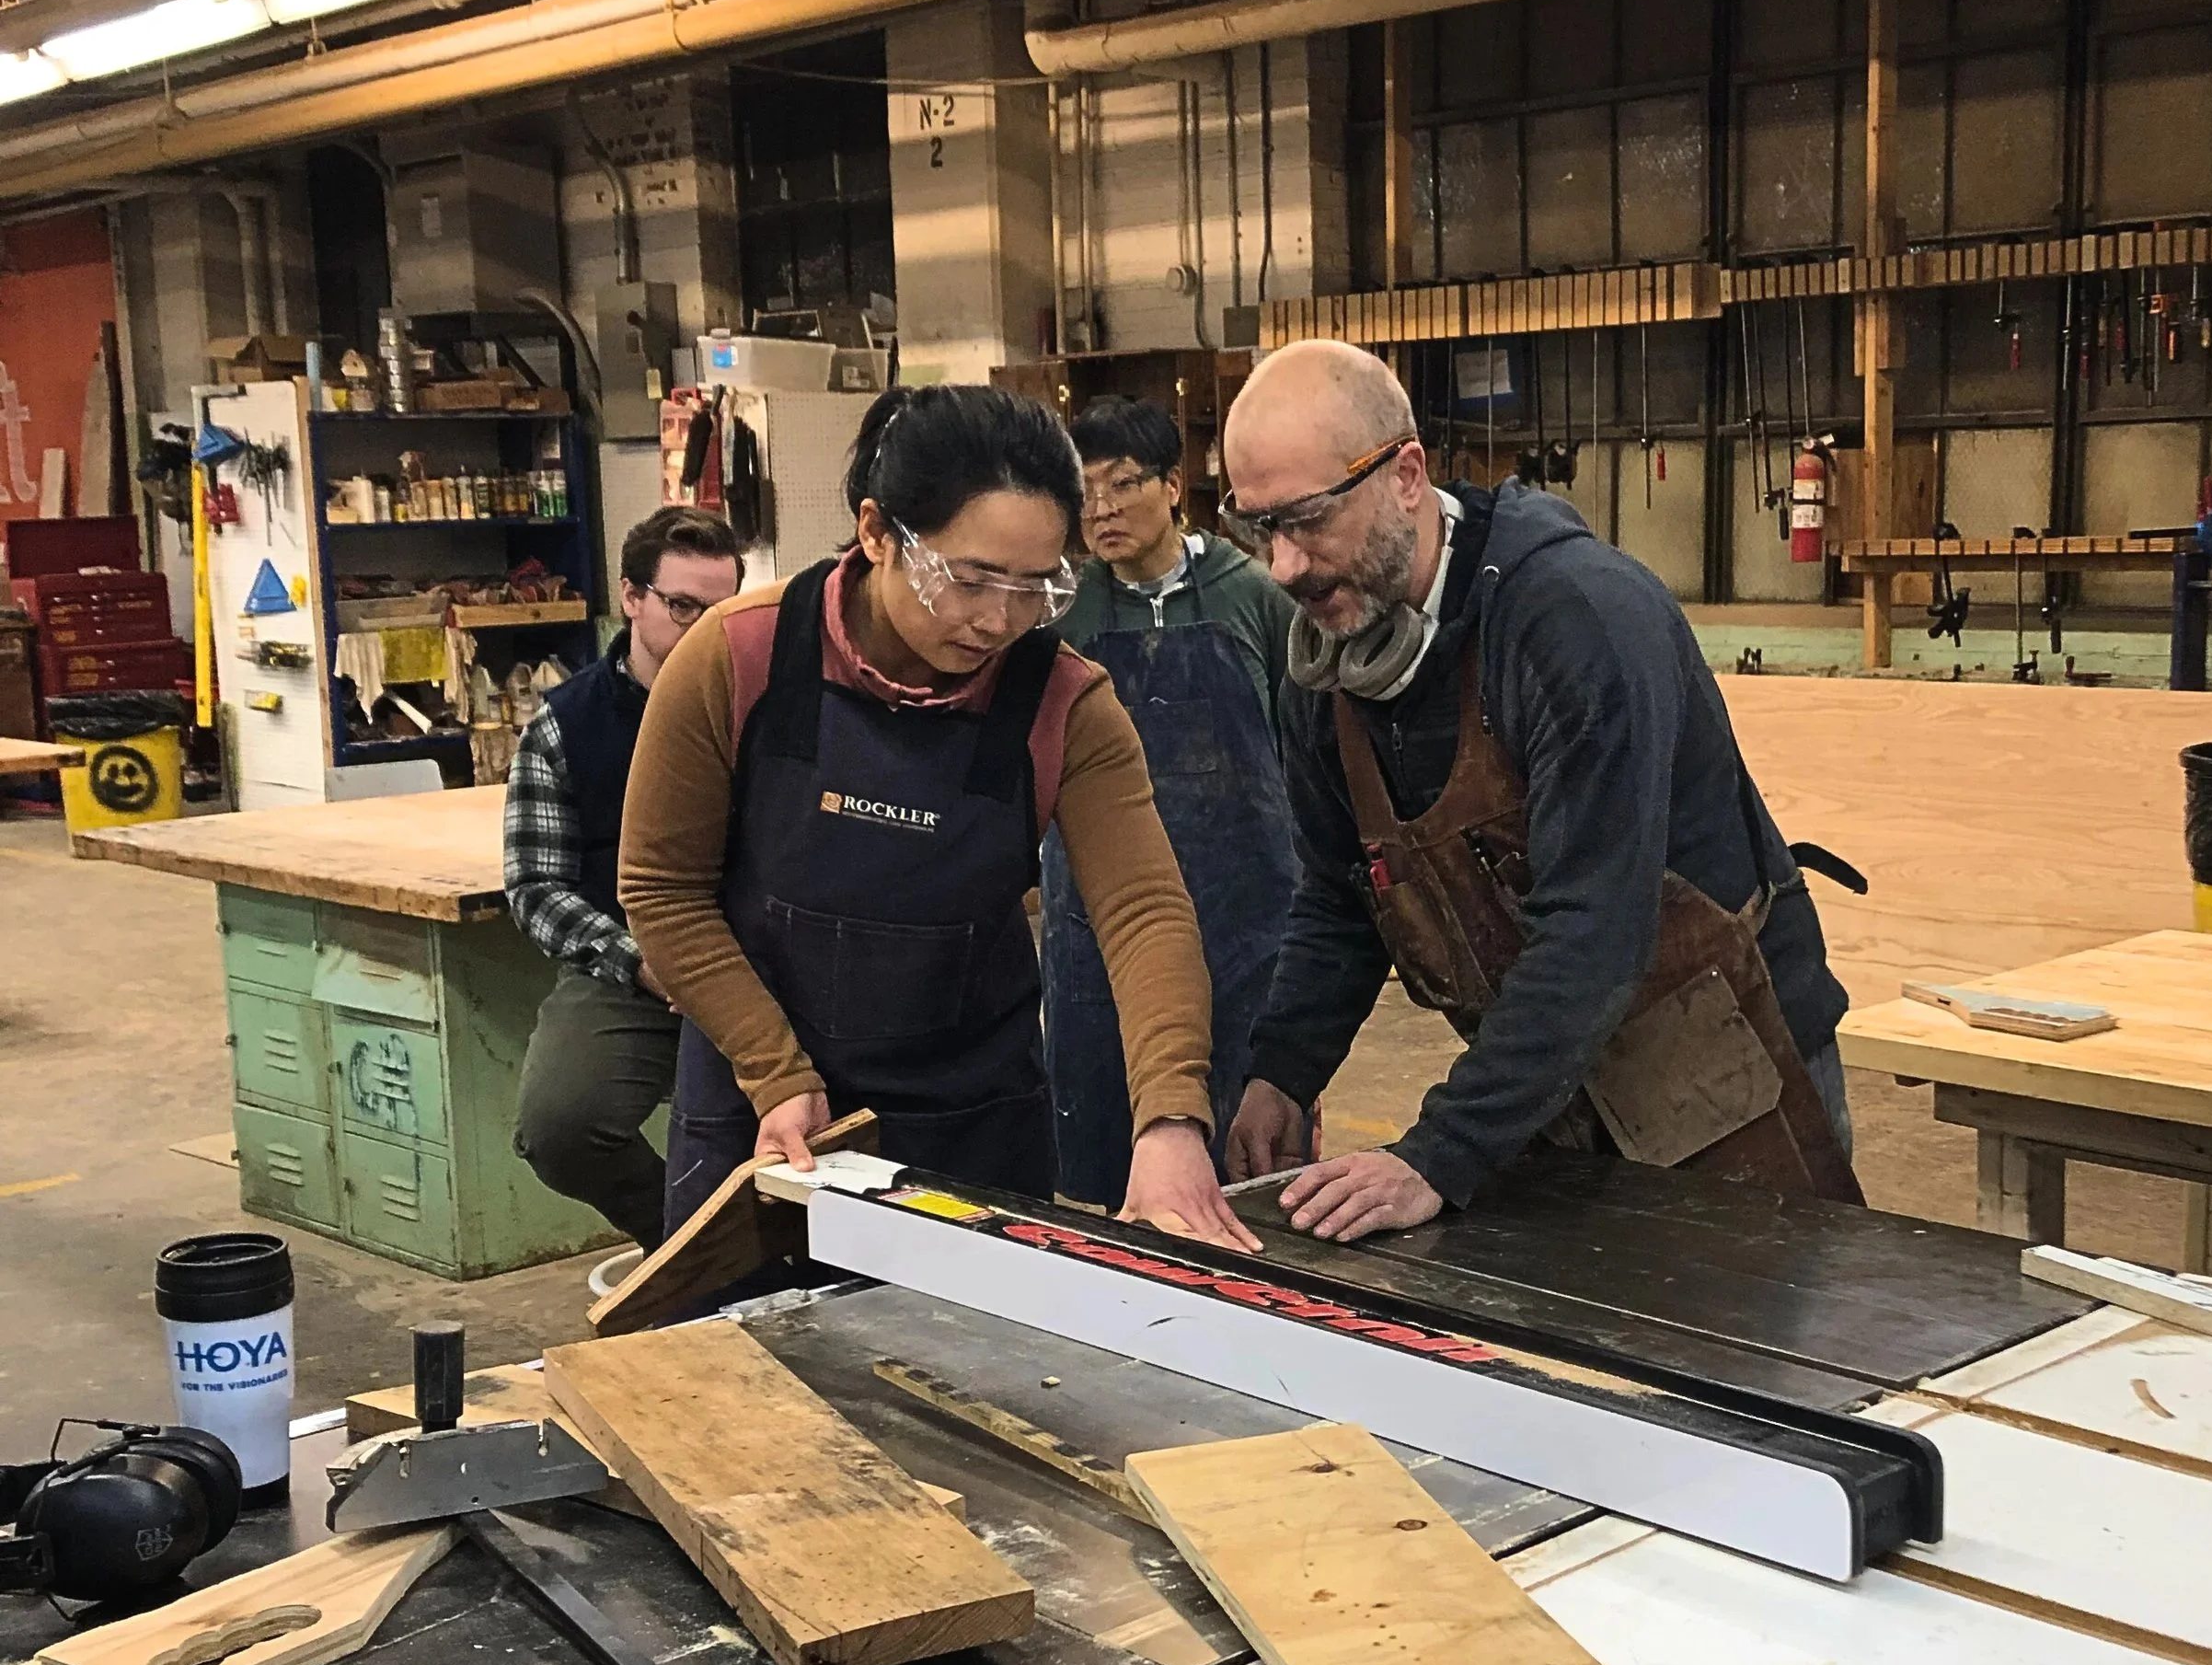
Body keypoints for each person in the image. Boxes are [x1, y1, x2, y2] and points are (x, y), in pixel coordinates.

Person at [1221, 341, 1860, 1247]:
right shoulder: (1325, 667)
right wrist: (1280, 1070)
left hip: (1729, 1069)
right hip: (1554, 1081)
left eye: (1309, 520)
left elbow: (1595, 929)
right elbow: (1342, 903)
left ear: (1406, 475)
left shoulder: (1577, 618)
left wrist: (1439, 1153)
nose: (1283, 567)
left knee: (1761, 1365)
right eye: (1257, 528)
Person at [618, 382, 1254, 1252]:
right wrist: (772, 1068)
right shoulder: (738, 658)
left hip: (972, 1126)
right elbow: (661, 891)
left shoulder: (1064, 703)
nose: (999, 620)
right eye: (968, 579)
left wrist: (1172, 1118)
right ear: (878, 532)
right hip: (769, 1121)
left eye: (1036, 587)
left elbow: (1143, 915)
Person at [1040, 394, 1297, 1209]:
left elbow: (1307, 747)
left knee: (1253, 1154)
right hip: (1096, 925)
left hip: (1250, 921)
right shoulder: (1064, 612)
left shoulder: (1256, 596)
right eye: (1086, 494)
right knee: (1098, 1149)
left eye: (1123, 484)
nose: (1104, 510)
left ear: (1174, 485)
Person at [507, 504, 743, 1249]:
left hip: (755, 961)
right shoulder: (564, 726)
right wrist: (639, 962)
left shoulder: (767, 708)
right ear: (631, 597)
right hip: (632, 968)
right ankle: (689, 1249)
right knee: (561, 1127)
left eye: (722, 610)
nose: (704, 630)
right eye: (683, 607)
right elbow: (536, 888)